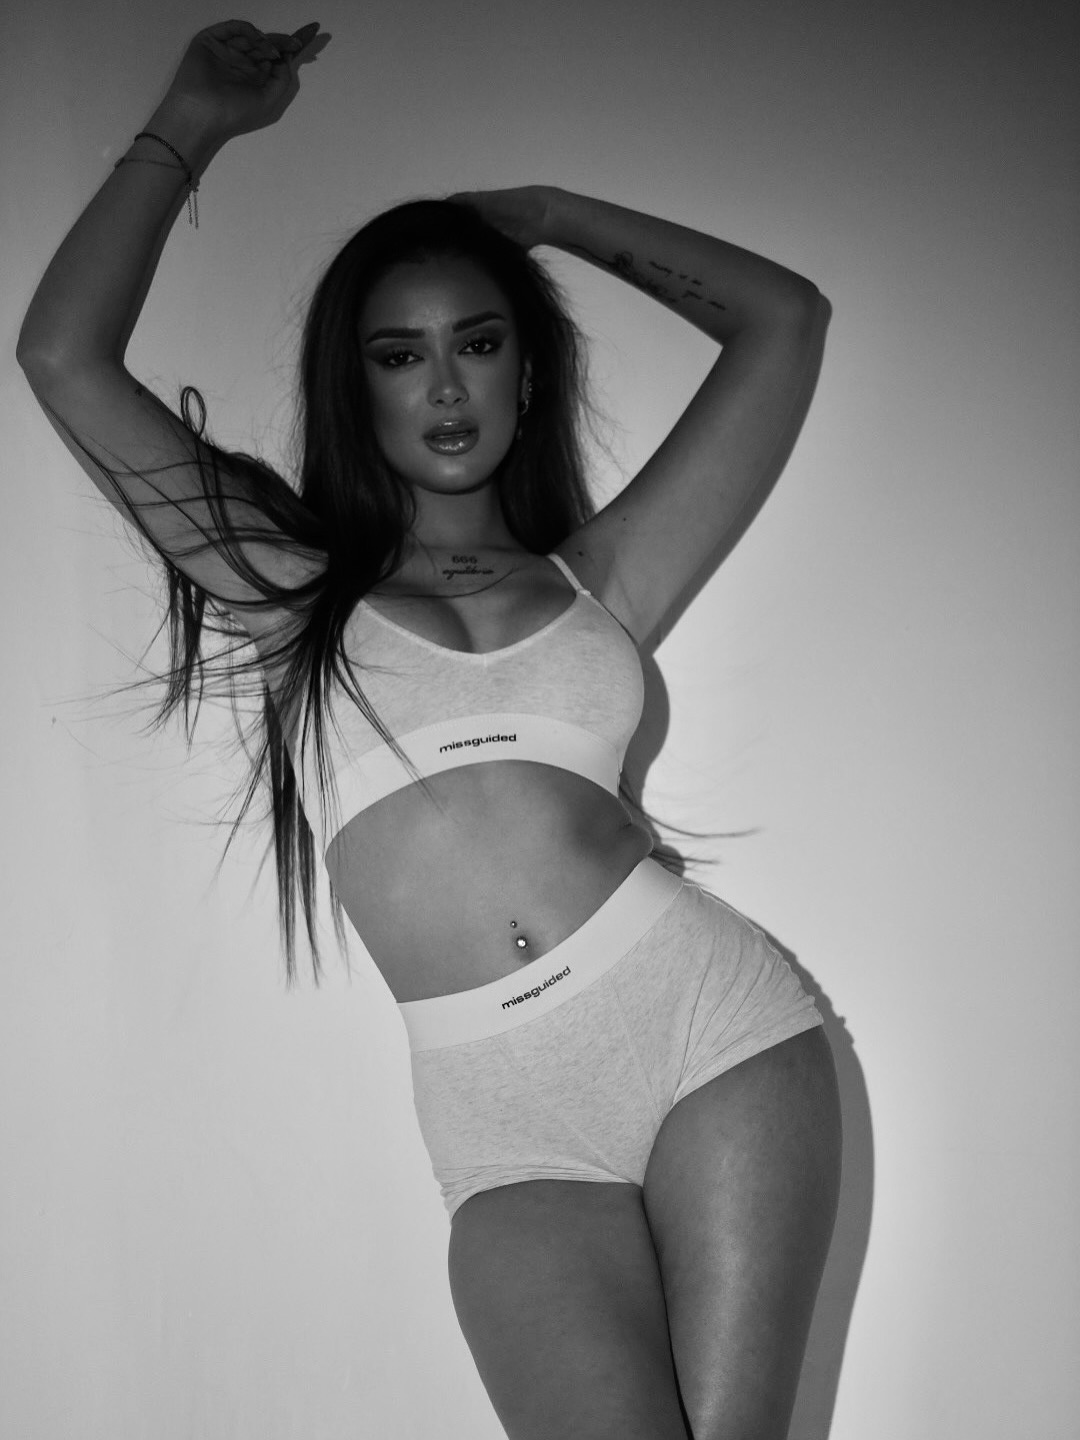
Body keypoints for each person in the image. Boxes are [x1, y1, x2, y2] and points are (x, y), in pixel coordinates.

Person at [18, 19, 842, 1439]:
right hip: (509, 1128)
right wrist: (192, 122)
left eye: (479, 341)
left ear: (527, 371)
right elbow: (63, 356)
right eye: (401, 355)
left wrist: (545, 218)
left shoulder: (601, 580)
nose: (446, 386)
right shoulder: (289, 586)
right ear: (361, 388)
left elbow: (784, 320)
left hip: (716, 1033)